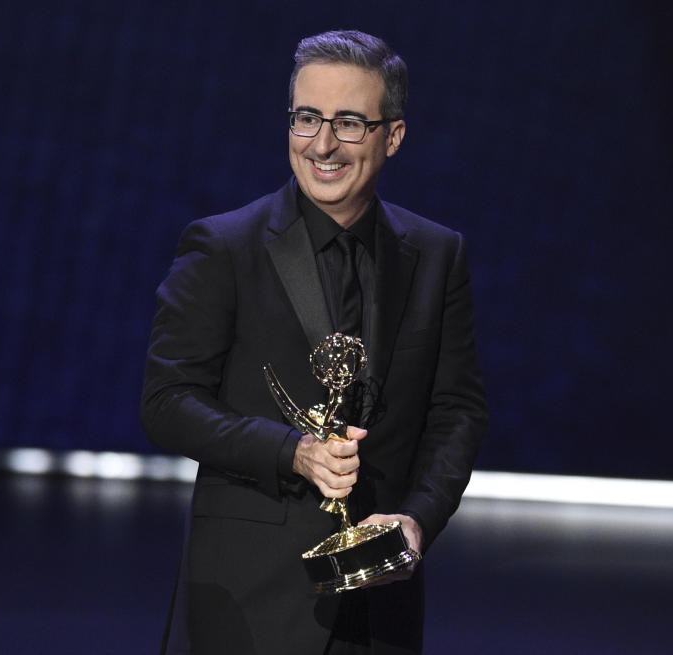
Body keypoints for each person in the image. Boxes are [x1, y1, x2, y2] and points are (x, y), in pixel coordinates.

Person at [140, 29, 488, 655]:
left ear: (393, 136)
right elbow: (167, 404)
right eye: (308, 119)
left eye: (350, 123)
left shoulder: (437, 255)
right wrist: (291, 452)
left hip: (382, 607)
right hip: (246, 602)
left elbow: (456, 411)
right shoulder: (223, 247)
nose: (323, 145)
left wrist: (418, 519)